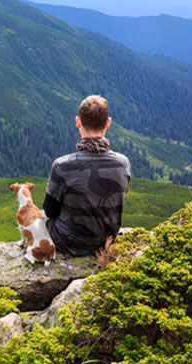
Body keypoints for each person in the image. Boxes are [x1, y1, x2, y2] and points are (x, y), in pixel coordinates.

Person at [43, 94, 131, 257]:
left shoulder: (62, 165)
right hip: (105, 240)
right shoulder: (123, 163)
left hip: (67, 242)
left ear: (78, 122)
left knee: (38, 220)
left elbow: (49, 210)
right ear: (108, 123)